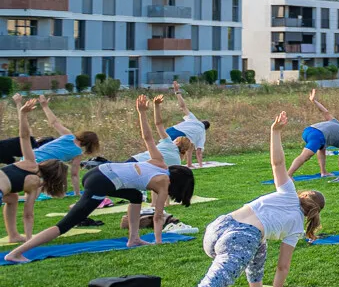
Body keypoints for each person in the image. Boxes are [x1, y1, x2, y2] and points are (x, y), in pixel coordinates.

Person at [163, 112, 325, 287]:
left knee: (261, 244)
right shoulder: (297, 227)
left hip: (218, 227)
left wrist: (275, 131)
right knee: (213, 285)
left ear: (303, 195)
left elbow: (277, 163)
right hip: (240, 240)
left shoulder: (288, 192)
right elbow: (282, 267)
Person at [5, 95, 195, 264]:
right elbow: (158, 216)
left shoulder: (159, 162)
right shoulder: (164, 184)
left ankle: (134, 238)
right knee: (65, 225)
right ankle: (16, 253)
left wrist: (142, 112)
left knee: (135, 196)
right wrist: (158, 241)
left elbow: (148, 138)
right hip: (101, 181)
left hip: (99, 172)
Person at [2, 97, 69, 245]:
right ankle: (15, 236)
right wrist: (30, 239)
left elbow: (24, 137)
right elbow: (28, 215)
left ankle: (13, 235)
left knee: (12, 198)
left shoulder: (30, 161)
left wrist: (23, 114)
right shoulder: (35, 183)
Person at [0, 97, 98, 195]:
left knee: (28, 181)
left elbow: (54, 122)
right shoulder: (78, 153)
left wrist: (44, 106)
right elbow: (74, 174)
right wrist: (77, 193)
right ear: (90, 144)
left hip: (29, 157)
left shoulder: (68, 135)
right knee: (42, 180)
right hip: (43, 167)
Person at [288, 89, 339, 181]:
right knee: (304, 157)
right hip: (317, 135)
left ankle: (323, 172)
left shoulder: (336, 122)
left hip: (308, 130)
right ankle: (288, 175)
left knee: (322, 148)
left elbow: (325, 112)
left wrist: (314, 101)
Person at [131, 95, 194, 168]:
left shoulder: (169, 142)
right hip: (148, 170)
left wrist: (156, 105)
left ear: (177, 142)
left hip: (137, 161)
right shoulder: (177, 163)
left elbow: (158, 124)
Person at [162, 80, 211, 166]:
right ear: (206, 129)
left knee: (190, 144)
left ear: (201, 121)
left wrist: (177, 92)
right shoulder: (202, 133)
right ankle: (176, 164)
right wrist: (201, 165)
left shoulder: (194, 119)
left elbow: (183, 106)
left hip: (170, 130)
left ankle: (189, 164)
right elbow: (199, 152)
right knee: (184, 146)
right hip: (180, 135)